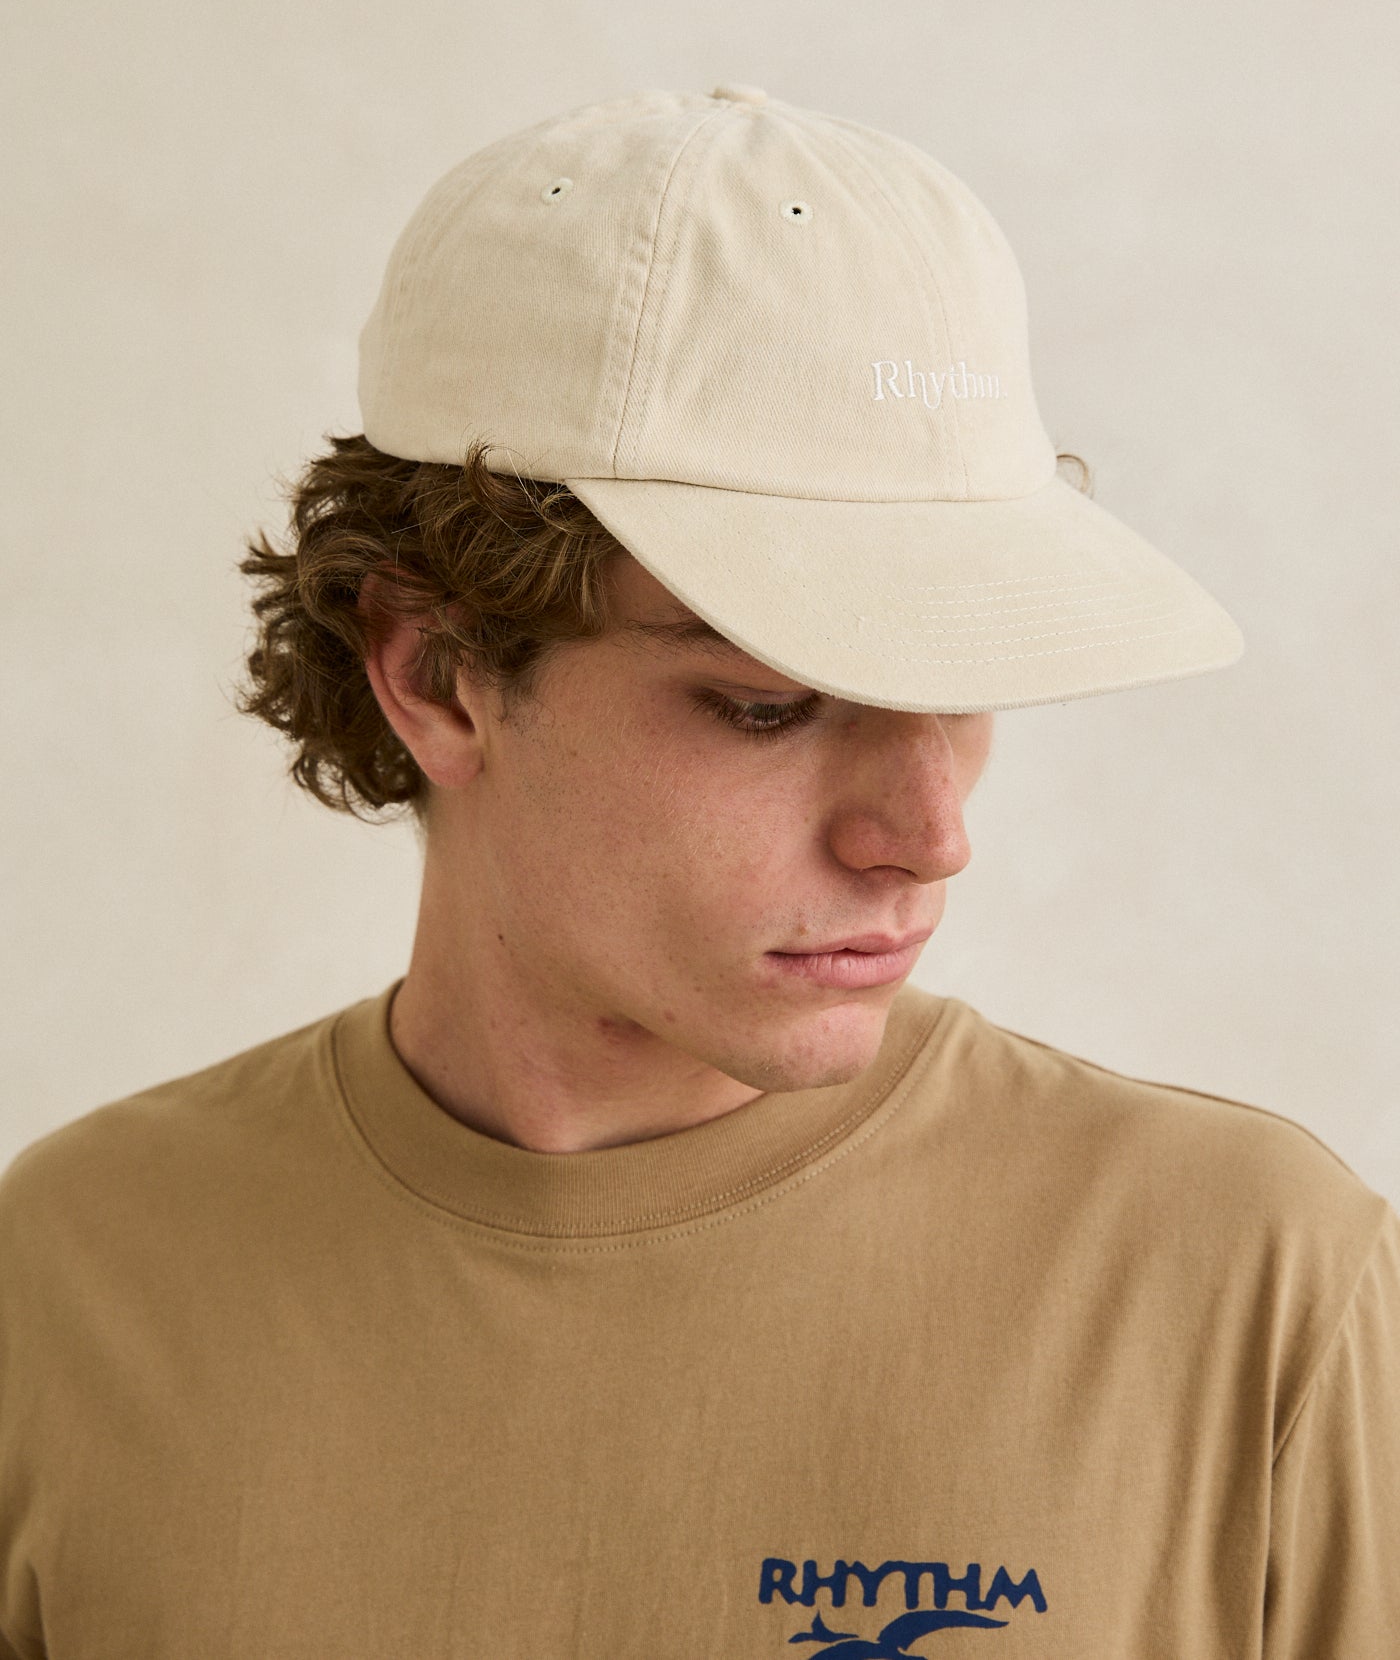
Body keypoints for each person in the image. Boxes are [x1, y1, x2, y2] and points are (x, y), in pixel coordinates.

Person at [1, 84, 1395, 1658]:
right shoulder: (69, 1285)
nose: (929, 834)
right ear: (437, 674)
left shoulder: (1254, 1288)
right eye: (769, 705)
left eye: (964, 687)